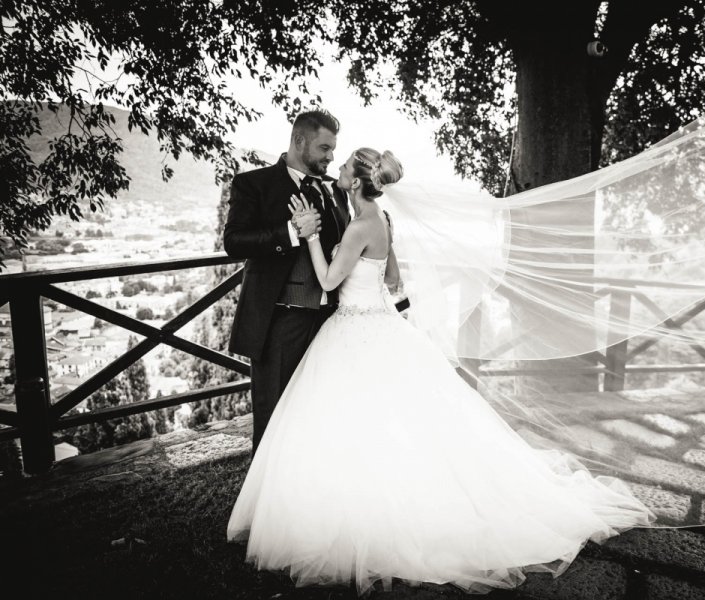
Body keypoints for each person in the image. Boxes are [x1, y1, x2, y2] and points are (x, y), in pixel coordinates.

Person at [226, 148, 654, 595]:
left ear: (355, 181)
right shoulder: (383, 221)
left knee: (355, 425)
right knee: (396, 425)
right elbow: (391, 279)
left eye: (345, 163)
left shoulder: (358, 226)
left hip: (354, 329)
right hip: (380, 325)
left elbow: (331, 281)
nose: (338, 167)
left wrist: (311, 237)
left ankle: (366, 516)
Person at [223, 109, 350, 454]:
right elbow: (234, 242)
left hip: (329, 324)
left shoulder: (333, 191)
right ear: (299, 141)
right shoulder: (254, 184)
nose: (331, 156)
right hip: (280, 323)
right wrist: (292, 231)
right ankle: (265, 500)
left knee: (319, 411)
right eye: (324, 148)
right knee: (274, 417)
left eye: (333, 149)